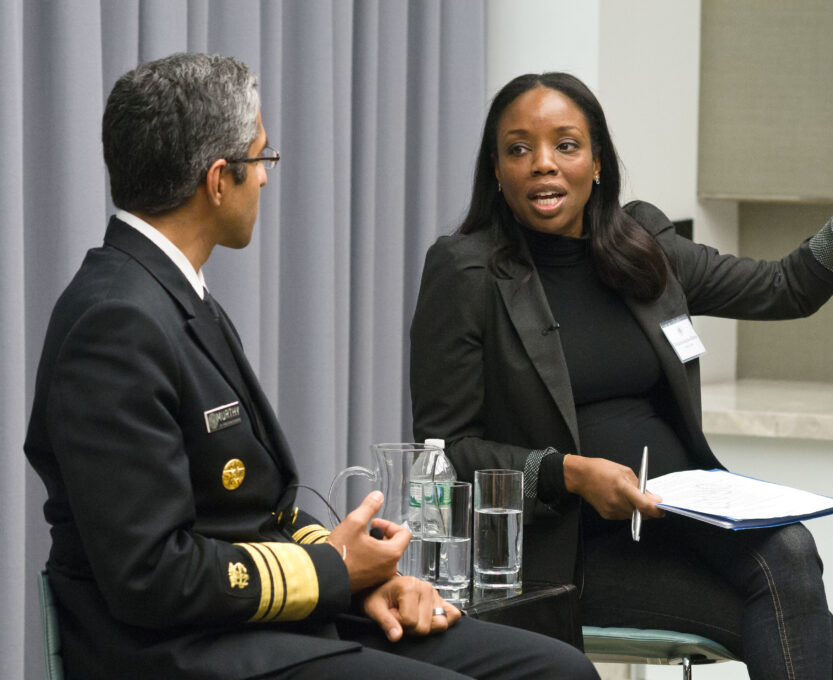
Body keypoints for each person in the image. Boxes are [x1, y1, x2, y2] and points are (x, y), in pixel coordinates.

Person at [24, 54, 598, 680]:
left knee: (557, 670)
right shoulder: (117, 321)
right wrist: (335, 572)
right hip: (178, 651)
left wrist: (364, 580)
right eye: (262, 159)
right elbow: (151, 575)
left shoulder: (170, 295)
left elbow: (255, 510)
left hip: (257, 623)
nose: (267, 180)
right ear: (220, 180)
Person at [410, 72, 833, 679]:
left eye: (565, 145)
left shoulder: (643, 245)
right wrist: (571, 474)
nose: (542, 164)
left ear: (597, 165)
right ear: (498, 169)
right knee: (809, 623)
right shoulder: (466, 271)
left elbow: (785, 288)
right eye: (519, 149)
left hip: (685, 520)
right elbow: (446, 450)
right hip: (564, 551)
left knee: (793, 564)